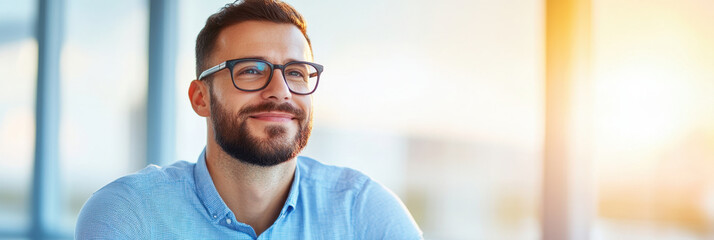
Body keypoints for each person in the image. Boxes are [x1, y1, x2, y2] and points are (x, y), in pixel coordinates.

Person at [75, 0, 422, 239]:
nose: (280, 90)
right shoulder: (129, 216)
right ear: (200, 98)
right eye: (252, 70)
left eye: (297, 72)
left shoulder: (364, 213)